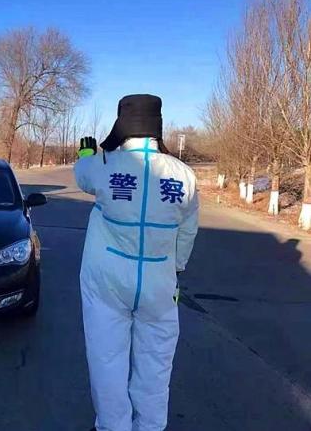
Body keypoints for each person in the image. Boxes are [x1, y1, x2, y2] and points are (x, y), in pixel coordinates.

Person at [75, 94, 199, 431]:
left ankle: (113, 426)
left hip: (107, 282)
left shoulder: (104, 164)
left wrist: (87, 153)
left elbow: (81, 175)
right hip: (160, 283)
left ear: (122, 123)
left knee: (107, 360)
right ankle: (150, 426)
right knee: (156, 366)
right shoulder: (184, 175)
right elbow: (187, 231)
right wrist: (176, 267)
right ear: (158, 126)